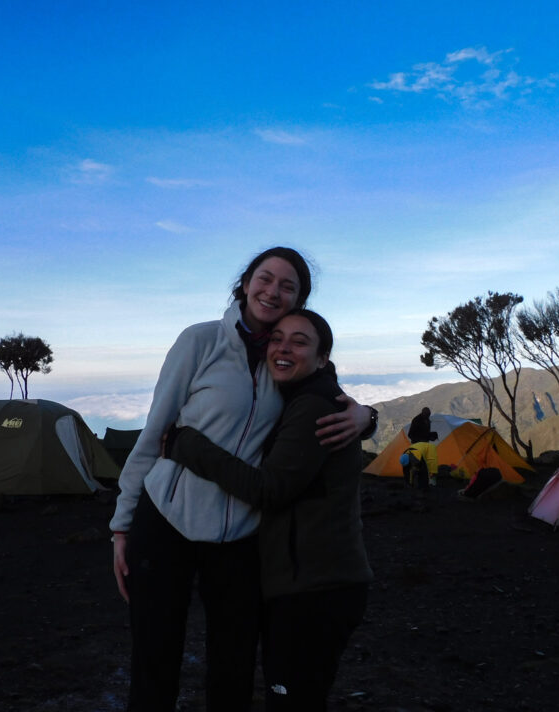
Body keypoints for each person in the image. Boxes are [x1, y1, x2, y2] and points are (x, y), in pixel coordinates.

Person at [110, 248, 375, 712]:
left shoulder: (284, 359)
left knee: (232, 669)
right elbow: (155, 432)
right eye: (265, 278)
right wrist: (122, 524)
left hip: (240, 536)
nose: (272, 290)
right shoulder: (200, 341)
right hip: (166, 518)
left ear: (298, 300)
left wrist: (367, 416)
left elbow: (329, 394)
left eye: (287, 286)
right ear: (246, 282)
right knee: (154, 662)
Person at [166, 309, 372, 711]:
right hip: (312, 583)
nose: (283, 347)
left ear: (322, 358)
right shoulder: (304, 398)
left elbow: (270, 489)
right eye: (277, 338)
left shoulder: (314, 405)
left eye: (299, 341)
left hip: (316, 589)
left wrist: (186, 444)